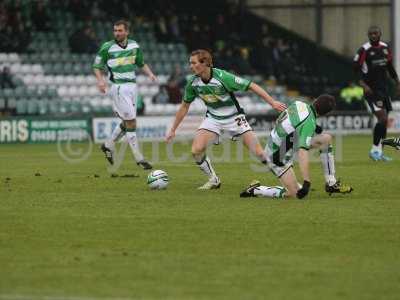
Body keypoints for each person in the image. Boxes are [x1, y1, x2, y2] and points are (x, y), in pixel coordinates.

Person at [165, 49, 287, 190]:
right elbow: (184, 107)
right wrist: (173, 129)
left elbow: (251, 85)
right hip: (213, 118)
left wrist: (272, 102)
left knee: (260, 153)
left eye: (193, 63)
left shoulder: (223, 77)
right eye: (190, 63)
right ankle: (213, 180)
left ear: (205, 63)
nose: (190, 66)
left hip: (234, 118)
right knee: (196, 150)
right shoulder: (193, 83)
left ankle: (289, 182)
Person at [240, 95, 353, 199]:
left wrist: (315, 126)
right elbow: (302, 152)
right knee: (294, 193)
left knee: (326, 139)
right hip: (275, 156)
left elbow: (291, 119)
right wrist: (306, 181)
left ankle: (331, 183)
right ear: (325, 114)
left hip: (283, 145)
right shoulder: (309, 123)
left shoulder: (299, 104)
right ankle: (256, 190)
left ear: (315, 100)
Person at [93, 20, 156, 170]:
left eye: (120, 30)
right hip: (119, 87)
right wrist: (101, 81)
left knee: (126, 122)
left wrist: (150, 74)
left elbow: (141, 63)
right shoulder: (107, 47)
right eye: (115, 30)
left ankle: (108, 145)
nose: (117, 33)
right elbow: (96, 66)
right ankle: (139, 158)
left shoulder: (135, 46)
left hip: (132, 86)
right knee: (132, 122)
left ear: (127, 32)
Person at [353, 26, 400, 161]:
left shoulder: (385, 48)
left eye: (376, 33)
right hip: (371, 92)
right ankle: (374, 150)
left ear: (380, 34)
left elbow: (390, 67)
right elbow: (355, 70)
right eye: (371, 34)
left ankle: (379, 152)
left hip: (384, 90)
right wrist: (363, 85)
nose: (373, 35)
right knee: (383, 118)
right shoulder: (364, 50)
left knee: (384, 122)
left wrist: (397, 82)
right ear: (368, 35)